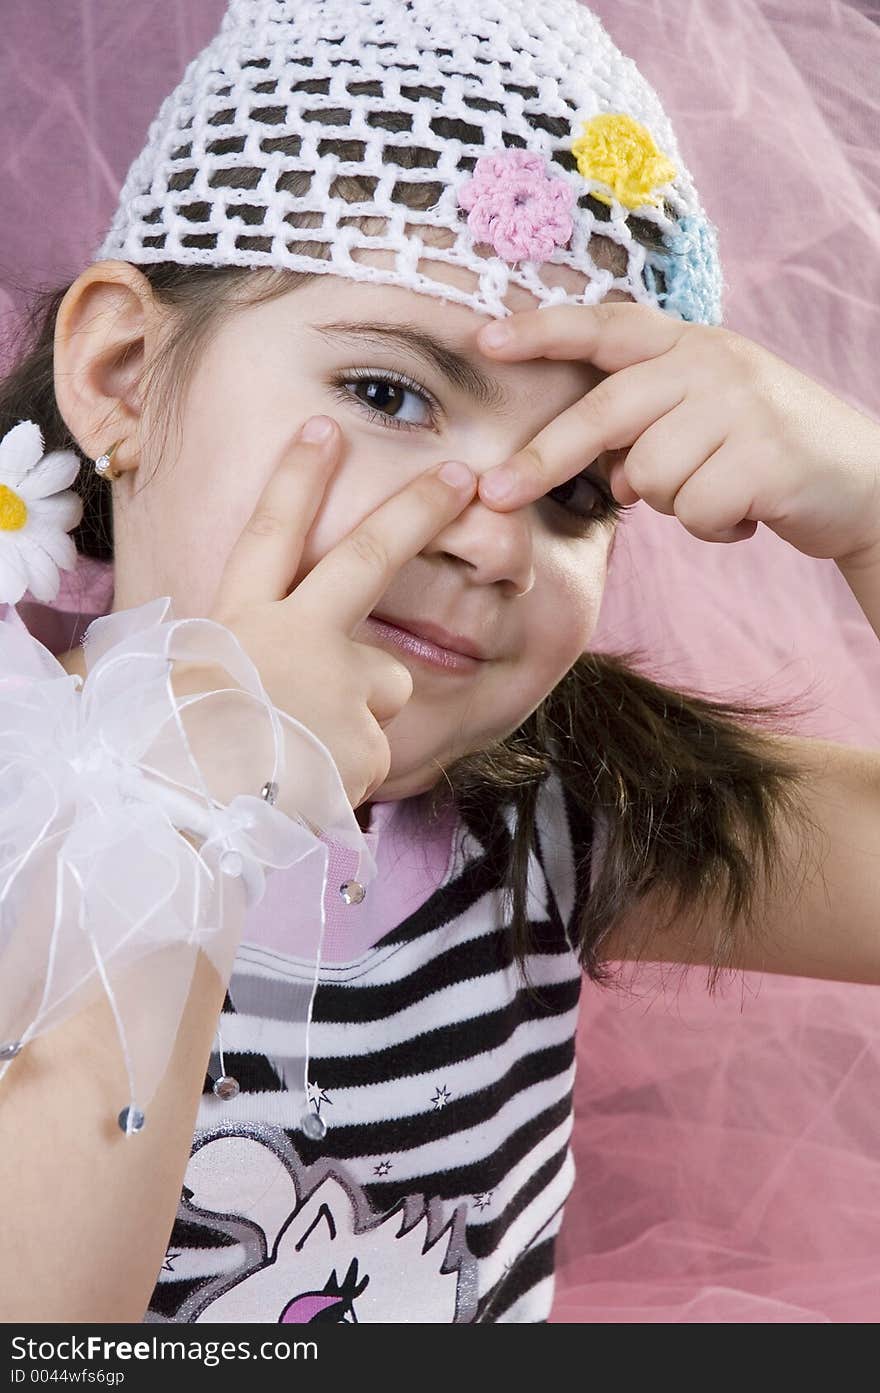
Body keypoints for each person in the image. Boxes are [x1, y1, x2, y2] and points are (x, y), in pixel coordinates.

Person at [1, 0, 879, 1324]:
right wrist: (197, 796)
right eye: (391, 394)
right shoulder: (17, 810)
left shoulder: (545, 820)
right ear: (123, 373)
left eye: (579, 485)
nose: (491, 539)